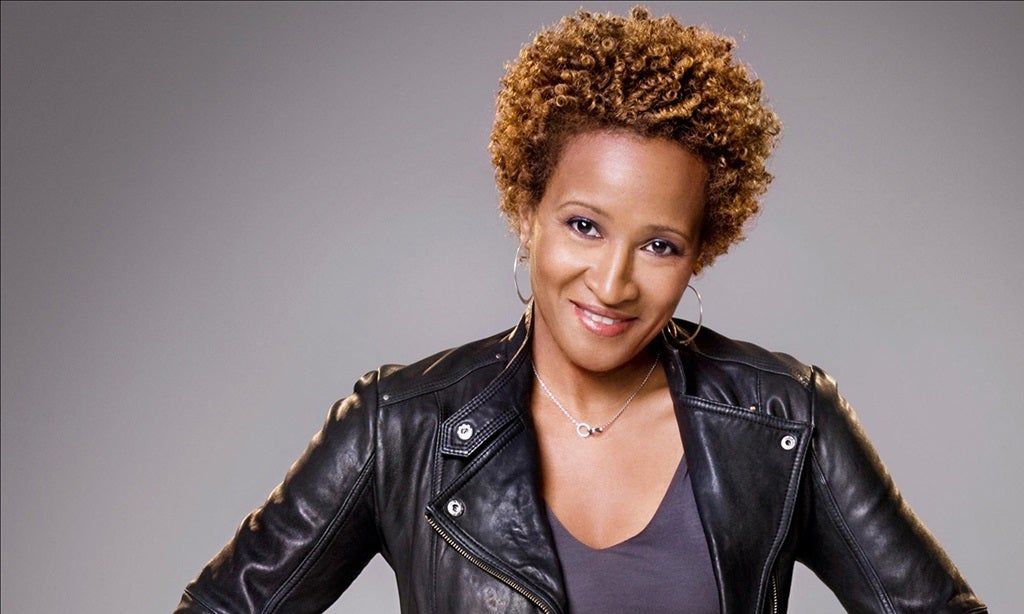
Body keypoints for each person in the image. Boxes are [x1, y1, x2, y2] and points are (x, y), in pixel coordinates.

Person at [174, 6, 988, 613]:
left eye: (659, 245)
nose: (613, 282)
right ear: (527, 210)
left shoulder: (783, 421)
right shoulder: (403, 427)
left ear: (702, 250)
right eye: (584, 226)